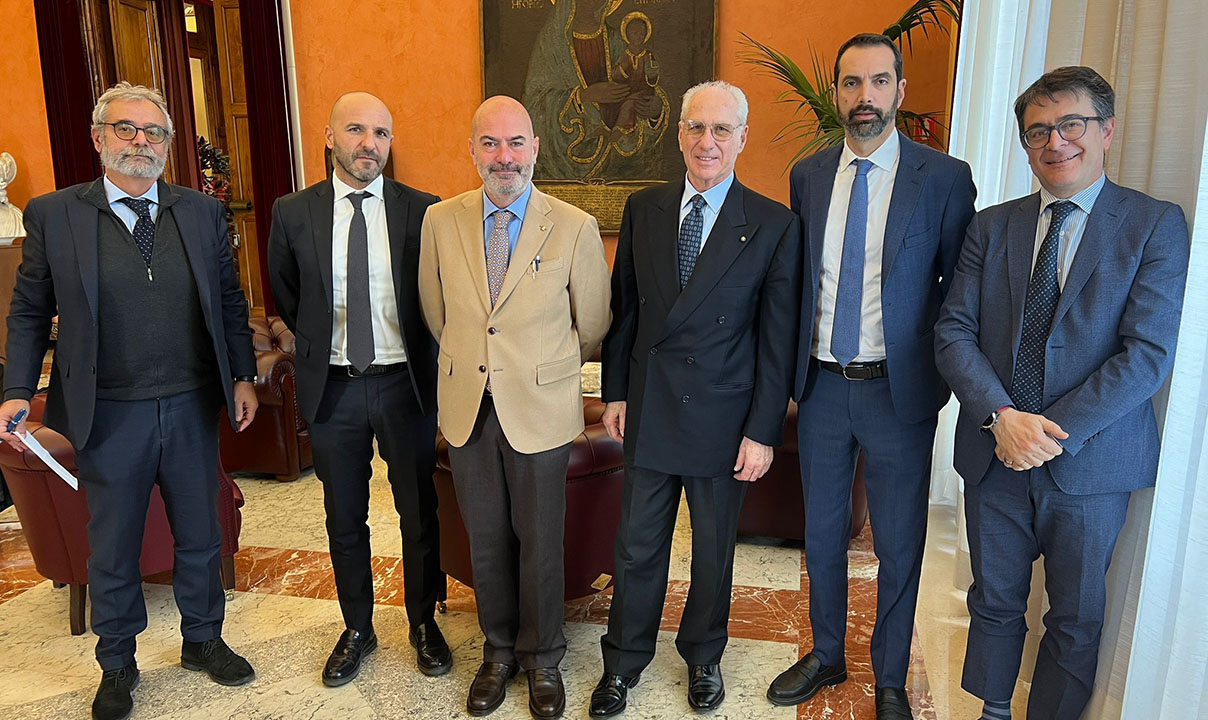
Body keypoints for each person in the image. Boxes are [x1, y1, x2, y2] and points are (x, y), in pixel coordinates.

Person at [935, 66, 1189, 720]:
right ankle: (993, 710)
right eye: (1038, 131)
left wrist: (1043, 432)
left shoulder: (1154, 225)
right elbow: (954, 331)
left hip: (1092, 462)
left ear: (1107, 130)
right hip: (995, 453)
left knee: (1075, 617)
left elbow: (1147, 356)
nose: (1055, 142)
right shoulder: (991, 227)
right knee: (994, 601)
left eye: (1071, 124)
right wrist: (1002, 416)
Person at [0, 81, 258, 720]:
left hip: (191, 405)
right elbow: (29, 311)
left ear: (168, 143)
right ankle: (117, 663)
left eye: (154, 132)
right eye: (126, 128)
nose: (140, 141)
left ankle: (203, 639)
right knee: (113, 546)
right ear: (99, 137)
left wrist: (242, 377)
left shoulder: (199, 212)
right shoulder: (55, 214)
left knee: (200, 534)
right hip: (108, 413)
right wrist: (16, 391)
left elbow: (229, 302)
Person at [765, 33, 976, 720]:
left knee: (898, 541)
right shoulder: (807, 176)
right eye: (852, 83)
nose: (866, 97)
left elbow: (959, 291)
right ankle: (827, 652)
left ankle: (890, 677)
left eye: (879, 81)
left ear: (900, 91)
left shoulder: (943, 179)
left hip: (899, 392)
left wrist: (943, 376)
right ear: (836, 93)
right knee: (822, 532)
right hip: (823, 386)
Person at [590, 80, 801, 717]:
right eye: (696, 127)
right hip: (651, 407)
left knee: (712, 552)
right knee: (637, 547)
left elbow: (777, 341)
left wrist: (762, 431)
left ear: (742, 138)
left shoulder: (773, 223)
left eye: (721, 130)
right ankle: (622, 662)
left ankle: (704, 656)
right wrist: (615, 392)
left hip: (723, 417)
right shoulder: (645, 208)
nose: (707, 142)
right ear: (679, 133)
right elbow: (626, 312)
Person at [418, 95, 611, 719]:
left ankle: (543, 657)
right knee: (487, 539)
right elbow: (436, 313)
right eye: (491, 143)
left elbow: (592, 322)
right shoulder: (440, 221)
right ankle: (498, 651)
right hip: (469, 406)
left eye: (516, 142)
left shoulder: (574, 225)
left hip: (541, 407)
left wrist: (536, 367)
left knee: (540, 541)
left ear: (536, 147)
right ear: (472, 150)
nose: (505, 156)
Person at [266, 92, 450, 687]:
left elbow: (438, 296)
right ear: (329, 137)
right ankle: (357, 628)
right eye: (355, 130)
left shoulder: (423, 210)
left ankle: (423, 622)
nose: (369, 144)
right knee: (344, 517)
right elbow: (288, 296)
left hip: (405, 386)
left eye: (381, 133)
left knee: (418, 513)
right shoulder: (293, 212)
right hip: (334, 389)